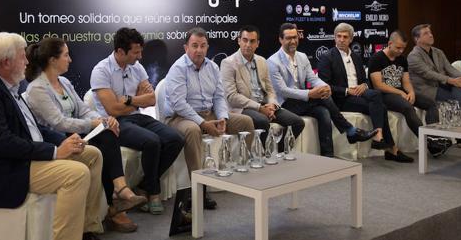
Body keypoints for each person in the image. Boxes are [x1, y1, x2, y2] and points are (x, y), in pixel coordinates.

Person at [0, 32, 104, 240]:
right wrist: (56, 151)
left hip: (22, 157)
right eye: (23, 56)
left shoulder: (7, 85)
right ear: (6, 62)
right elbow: (1, 144)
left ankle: (87, 228)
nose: (27, 61)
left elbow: (34, 130)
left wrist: (66, 141)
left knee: (92, 154)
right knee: (76, 173)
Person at [24, 37, 147, 232]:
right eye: (66, 55)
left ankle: (119, 192)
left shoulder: (63, 81)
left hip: (77, 133)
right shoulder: (36, 89)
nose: (70, 60)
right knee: (102, 145)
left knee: (108, 135)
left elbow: (82, 109)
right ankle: (116, 198)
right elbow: (59, 122)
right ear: (52, 60)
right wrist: (94, 123)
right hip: (58, 139)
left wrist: (102, 120)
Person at [90, 27, 184, 214]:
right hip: (114, 123)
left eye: (140, 51)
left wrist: (130, 100)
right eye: (136, 52)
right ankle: (153, 192)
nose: (140, 56)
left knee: (176, 139)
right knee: (152, 141)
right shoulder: (101, 70)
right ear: (120, 52)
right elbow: (113, 109)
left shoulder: (137, 67)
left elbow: (151, 99)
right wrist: (136, 100)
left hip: (137, 117)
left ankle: (143, 185)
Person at [163, 27, 255, 210]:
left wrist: (223, 119)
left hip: (209, 114)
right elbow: (179, 104)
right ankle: (199, 190)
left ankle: (244, 173)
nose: (199, 50)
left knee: (246, 122)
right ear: (185, 48)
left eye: (203, 46)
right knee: (192, 130)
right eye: (194, 46)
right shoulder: (177, 69)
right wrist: (203, 123)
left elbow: (219, 97)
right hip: (180, 117)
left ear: (207, 47)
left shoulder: (212, 67)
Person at [267, 23, 376, 158]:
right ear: (280, 39)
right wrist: (309, 93)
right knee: (321, 97)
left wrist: (325, 86)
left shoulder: (302, 57)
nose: (293, 41)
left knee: (324, 112)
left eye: (295, 37)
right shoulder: (272, 61)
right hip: (284, 104)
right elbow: (283, 90)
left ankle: (328, 155)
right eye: (288, 38)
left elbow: (313, 78)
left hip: (302, 102)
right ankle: (350, 130)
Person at [317, 23, 410, 162]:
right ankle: (389, 146)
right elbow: (325, 85)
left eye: (345, 37)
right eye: (338, 36)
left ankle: (383, 140)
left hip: (360, 93)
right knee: (379, 101)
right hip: (342, 98)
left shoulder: (356, 56)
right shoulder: (327, 57)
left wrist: (365, 84)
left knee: (379, 103)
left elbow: (365, 78)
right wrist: (348, 90)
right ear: (334, 38)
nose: (341, 39)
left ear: (351, 39)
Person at [220, 25, 305, 149]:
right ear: (239, 41)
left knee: (297, 123)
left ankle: (279, 152)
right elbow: (232, 97)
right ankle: (265, 155)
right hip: (243, 107)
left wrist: (272, 105)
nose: (248, 44)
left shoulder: (262, 61)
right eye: (245, 40)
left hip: (264, 105)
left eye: (252, 41)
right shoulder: (228, 63)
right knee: (262, 121)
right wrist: (259, 108)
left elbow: (270, 90)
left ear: (257, 44)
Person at [368, 30, 450, 158]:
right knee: (407, 107)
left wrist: (411, 91)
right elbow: (378, 85)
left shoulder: (402, 59)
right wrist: (400, 92)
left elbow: (406, 81)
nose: (401, 51)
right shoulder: (376, 59)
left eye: (403, 48)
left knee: (430, 103)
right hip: (384, 95)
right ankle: (428, 142)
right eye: (398, 48)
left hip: (401, 92)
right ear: (390, 43)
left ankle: (434, 137)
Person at [408, 24, 461, 106]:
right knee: (455, 98)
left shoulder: (438, 52)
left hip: (443, 84)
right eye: (426, 33)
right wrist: (451, 81)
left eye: (430, 32)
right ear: (417, 39)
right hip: (428, 89)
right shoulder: (413, 56)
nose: (430, 35)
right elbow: (428, 73)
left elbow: (450, 69)